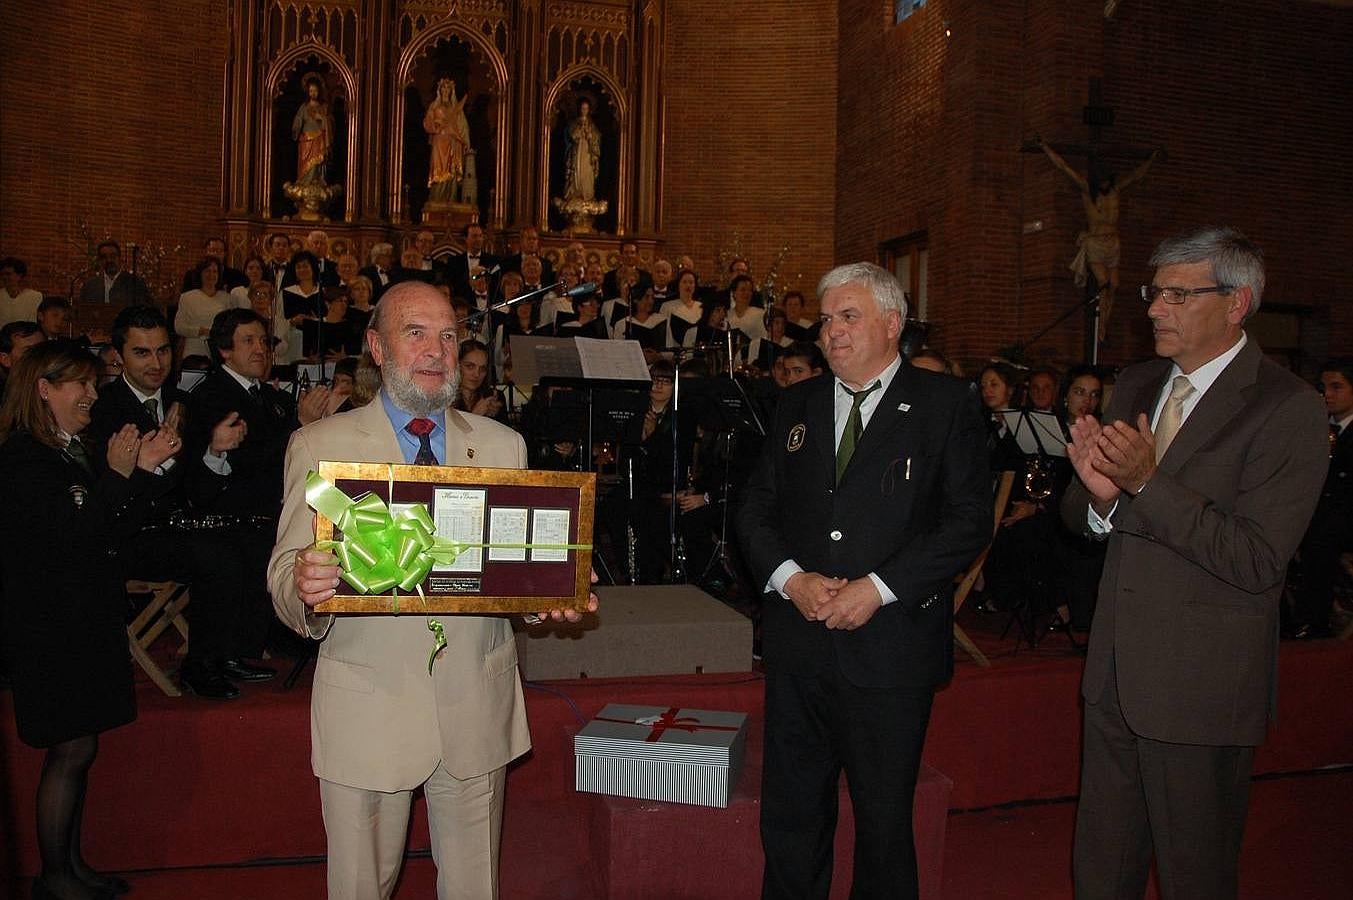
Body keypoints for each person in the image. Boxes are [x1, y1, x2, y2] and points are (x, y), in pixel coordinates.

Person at [267, 280, 595, 900]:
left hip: (477, 702)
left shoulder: (502, 445)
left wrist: (551, 592)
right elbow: (284, 573)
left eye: (447, 335)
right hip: (369, 709)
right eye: (415, 333)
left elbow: (517, 574)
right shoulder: (322, 447)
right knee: (362, 888)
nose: (436, 350)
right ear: (377, 347)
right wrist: (304, 588)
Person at [1060, 226, 1328, 900]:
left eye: (1177, 296)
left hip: (1200, 686)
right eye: (1155, 293)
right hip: (1116, 672)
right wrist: (1099, 502)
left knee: (1194, 877)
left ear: (1235, 303)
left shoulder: (1285, 407)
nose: (1153, 309)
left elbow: (1257, 558)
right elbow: (1091, 514)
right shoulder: (1138, 382)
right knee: (1101, 870)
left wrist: (1147, 485)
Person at [736, 262, 991, 899]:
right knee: (791, 814)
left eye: (848, 316)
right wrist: (790, 580)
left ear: (892, 322)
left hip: (890, 649)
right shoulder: (793, 403)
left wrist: (876, 588)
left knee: (882, 821)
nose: (831, 332)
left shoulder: (945, 404)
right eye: (825, 320)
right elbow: (753, 511)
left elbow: (967, 523)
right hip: (799, 645)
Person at [0, 340, 180, 899]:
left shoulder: (70, 449)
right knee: (70, 748)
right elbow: (73, 537)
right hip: (50, 625)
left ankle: (71, 866)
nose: (92, 394)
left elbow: (113, 528)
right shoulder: (25, 458)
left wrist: (142, 471)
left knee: (81, 748)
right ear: (43, 389)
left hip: (81, 618)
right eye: (79, 384)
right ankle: (54, 877)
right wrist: (123, 474)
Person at [87, 305, 265, 700]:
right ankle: (199, 666)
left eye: (163, 351)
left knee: (247, 536)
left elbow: (198, 492)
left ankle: (227, 652)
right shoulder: (103, 410)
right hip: (127, 534)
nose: (156, 362)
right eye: (142, 353)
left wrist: (215, 452)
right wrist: (150, 467)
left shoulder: (184, 401)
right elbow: (107, 498)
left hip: (177, 526)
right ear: (119, 356)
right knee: (215, 557)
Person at [1037, 137, 1160, 341]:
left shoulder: (1115, 191)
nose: (1104, 182)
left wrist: (1152, 159)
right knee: (1103, 283)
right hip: (1095, 241)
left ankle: (1105, 320)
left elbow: (1137, 175)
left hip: (1113, 241)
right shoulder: (1088, 192)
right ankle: (1100, 325)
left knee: (1115, 284)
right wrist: (1045, 147)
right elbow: (1063, 167)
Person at [1286, 358, 1353, 639]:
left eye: (1337, 387)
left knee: (1320, 542)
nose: (1328, 393)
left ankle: (1313, 620)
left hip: (1343, 518)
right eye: (1323, 387)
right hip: (1314, 512)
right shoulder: (1315, 428)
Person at [424, 77, 472, 204]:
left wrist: (464, 140)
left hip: (452, 142)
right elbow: (427, 122)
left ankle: (450, 200)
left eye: (448, 88)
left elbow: (462, 126)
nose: (446, 90)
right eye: (443, 88)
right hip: (439, 142)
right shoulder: (434, 106)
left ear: (451, 91)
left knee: (451, 171)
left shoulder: (455, 107)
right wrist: (436, 126)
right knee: (438, 170)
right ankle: (436, 200)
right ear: (439, 90)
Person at [176, 258, 235, 361]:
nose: (211, 275)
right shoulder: (187, 297)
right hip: (194, 353)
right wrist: (201, 331)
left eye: (214, 272)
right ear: (200, 273)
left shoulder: (226, 298)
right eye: (207, 271)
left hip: (219, 354)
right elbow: (179, 327)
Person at [78, 241, 151, 306]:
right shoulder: (90, 286)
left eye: (113, 256)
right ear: (99, 260)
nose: (109, 260)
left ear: (120, 258)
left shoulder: (135, 283)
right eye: (104, 257)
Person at [292, 74, 333, 186]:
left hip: (319, 140)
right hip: (306, 140)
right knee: (306, 165)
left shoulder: (323, 107)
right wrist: (297, 124)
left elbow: (330, 122)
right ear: (307, 92)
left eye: (315, 91)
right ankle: (305, 182)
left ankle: (317, 180)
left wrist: (323, 119)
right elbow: (298, 119)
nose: (313, 93)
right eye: (311, 91)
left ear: (319, 91)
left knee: (318, 163)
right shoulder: (304, 107)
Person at [453, 338, 506, 422]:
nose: (477, 374)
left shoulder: (493, 398)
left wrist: (493, 420)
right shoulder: (446, 401)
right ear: (457, 366)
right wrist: (475, 416)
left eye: (482, 369)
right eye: (470, 366)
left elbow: (507, 434)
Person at [563, 98, 601, 201]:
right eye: (582, 108)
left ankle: (587, 194)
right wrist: (578, 132)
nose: (584, 110)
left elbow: (596, 138)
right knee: (577, 170)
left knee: (587, 172)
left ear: (589, 110)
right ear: (579, 109)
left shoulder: (592, 125)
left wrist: (590, 136)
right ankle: (575, 192)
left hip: (588, 152)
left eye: (586, 108)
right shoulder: (575, 123)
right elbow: (571, 135)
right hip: (577, 150)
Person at [0, 256, 44, 326]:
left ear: (19, 275)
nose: (4, 277)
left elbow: (35, 323)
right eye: (2, 274)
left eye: (8, 274)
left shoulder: (35, 297)